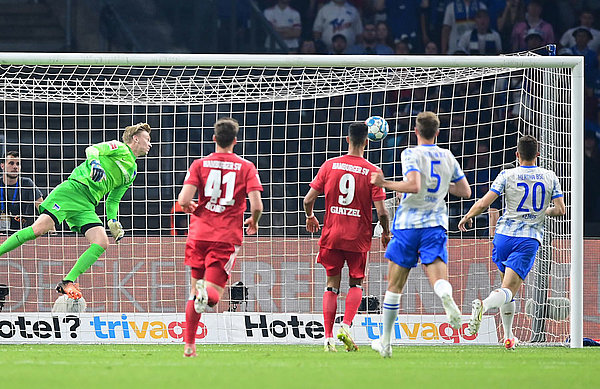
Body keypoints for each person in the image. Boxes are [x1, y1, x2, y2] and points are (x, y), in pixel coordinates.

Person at [0, 123, 152, 300]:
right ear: (135, 139)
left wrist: (113, 221)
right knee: (38, 230)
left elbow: (113, 199)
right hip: (73, 190)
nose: (150, 144)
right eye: (147, 139)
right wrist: (95, 164)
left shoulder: (132, 172)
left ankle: (67, 282)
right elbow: (92, 149)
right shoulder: (119, 147)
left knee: (102, 241)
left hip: (87, 204)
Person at [370, 111, 472, 358]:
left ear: (416, 131)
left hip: (407, 225)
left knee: (394, 286)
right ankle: (446, 296)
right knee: (438, 280)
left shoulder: (410, 153)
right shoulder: (447, 156)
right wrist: (438, 186)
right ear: (437, 132)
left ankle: (385, 343)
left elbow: (413, 185)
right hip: (435, 225)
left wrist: (385, 184)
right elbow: (465, 191)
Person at [458, 135, 565, 350]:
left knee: (505, 289)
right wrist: (544, 211)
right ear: (538, 154)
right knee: (508, 290)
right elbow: (560, 210)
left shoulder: (507, 175)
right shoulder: (550, 176)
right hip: (527, 239)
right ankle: (484, 305)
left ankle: (508, 336)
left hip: (503, 237)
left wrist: (467, 216)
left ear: (517, 154)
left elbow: (484, 202)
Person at [178, 117, 263, 358]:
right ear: (235, 141)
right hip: (226, 237)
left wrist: (194, 208)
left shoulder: (199, 164)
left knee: (194, 293)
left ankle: (189, 345)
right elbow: (257, 205)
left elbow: (183, 200)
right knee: (213, 296)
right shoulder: (246, 167)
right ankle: (207, 291)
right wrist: (253, 222)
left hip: (199, 234)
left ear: (214, 139)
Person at [303, 122, 390, 353]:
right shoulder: (373, 171)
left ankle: (328, 338)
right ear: (368, 142)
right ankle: (347, 325)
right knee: (356, 282)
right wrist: (386, 233)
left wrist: (311, 216)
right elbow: (382, 211)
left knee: (331, 285)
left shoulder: (330, 165)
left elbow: (308, 199)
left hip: (331, 234)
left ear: (347, 140)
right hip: (358, 237)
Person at [0, 151, 44, 234]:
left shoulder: (27, 183)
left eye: (18, 164)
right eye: (11, 163)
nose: (15, 167)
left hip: (23, 234)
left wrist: (52, 232)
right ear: (2, 166)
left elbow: (43, 208)